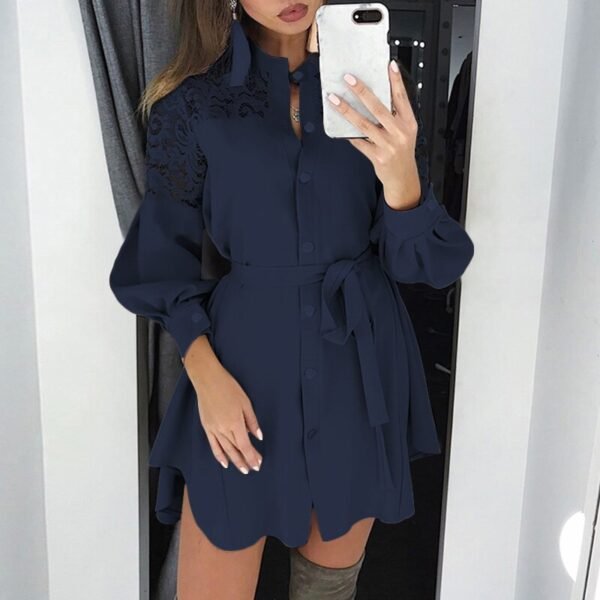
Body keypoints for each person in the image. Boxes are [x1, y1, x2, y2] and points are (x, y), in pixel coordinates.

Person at [109, 0, 475, 597]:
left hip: (358, 375)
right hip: (242, 377)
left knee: (327, 589)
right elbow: (159, 259)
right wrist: (203, 373)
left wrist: (403, 178)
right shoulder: (192, 105)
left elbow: (428, 265)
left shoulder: (375, 96)